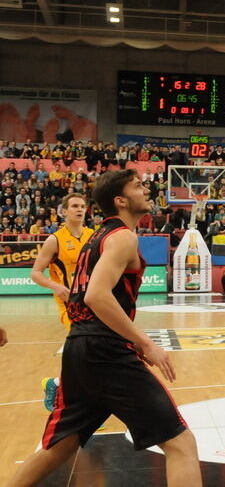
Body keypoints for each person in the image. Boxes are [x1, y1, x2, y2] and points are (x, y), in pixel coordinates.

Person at [7, 169, 200, 487]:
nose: (146, 188)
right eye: (138, 186)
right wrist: (145, 342)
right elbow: (97, 295)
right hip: (105, 349)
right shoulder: (123, 236)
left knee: (61, 445)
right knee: (181, 444)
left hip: (79, 346)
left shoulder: (93, 239)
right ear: (121, 200)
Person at [29, 192, 95, 411]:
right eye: (75, 206)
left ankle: (55, 384)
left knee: (90, 350)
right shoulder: (54, 239)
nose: (79, 209)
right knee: (83, 348)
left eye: (83, 206)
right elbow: (36, 273)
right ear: (64, 211)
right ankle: (77, 403)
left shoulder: (93, 236)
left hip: (93, 300)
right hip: (69, 303)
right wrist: (57, 287)